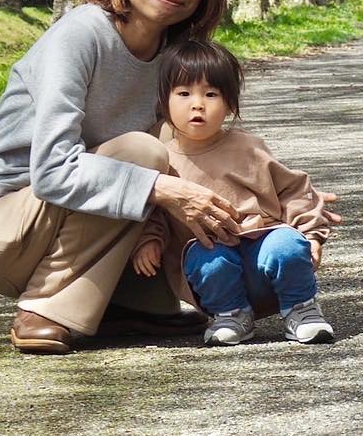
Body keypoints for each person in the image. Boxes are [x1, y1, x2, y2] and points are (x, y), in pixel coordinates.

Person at [0, 0, 258, 355]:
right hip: (3, 229)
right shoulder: (81, 35)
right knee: (143, 155)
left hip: (83, 231)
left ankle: (126, 301)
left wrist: (275, 203)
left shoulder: (174, 58)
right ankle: (46, 306)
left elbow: (192, 155)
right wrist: (165, 189)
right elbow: (54, 171)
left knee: (177, 168)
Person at [130, 38, 335, 346]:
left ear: (229, 104)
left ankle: (301, 309)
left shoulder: (249, 148)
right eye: (184, 94)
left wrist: (312, 233)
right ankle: (231, 315)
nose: (197, 104)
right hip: (211, 262)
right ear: (164, 101)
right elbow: (156, 211)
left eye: (211, 94)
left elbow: (293, 189)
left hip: (263, 248)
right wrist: (149, 242)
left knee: (286, 243)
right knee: (208, 259)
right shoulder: (164, 160)